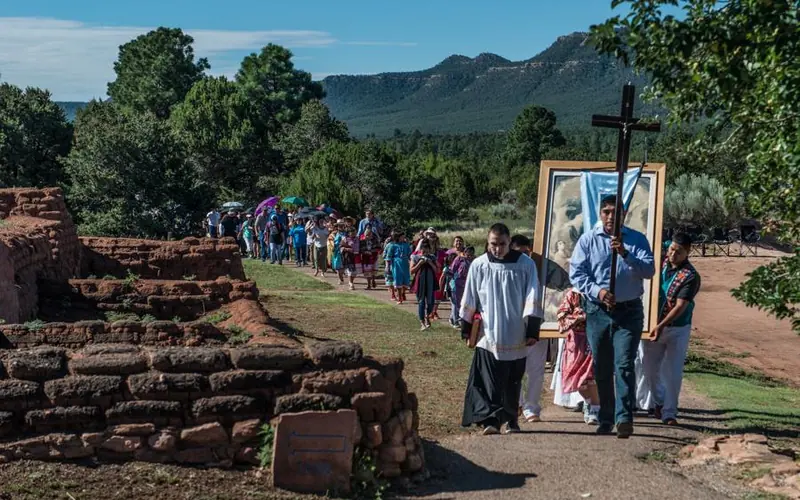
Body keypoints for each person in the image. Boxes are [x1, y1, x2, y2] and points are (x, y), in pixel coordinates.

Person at [569, 194, 655, 438]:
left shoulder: (636, 240)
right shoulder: (588, 241)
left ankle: (624, 417)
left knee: (624, 363)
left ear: (623, 214)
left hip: (628, 312)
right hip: (598, 311)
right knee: (603, 367)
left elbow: (649, 270)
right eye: (606, 211)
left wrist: (626, 254)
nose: (610, 217)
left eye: (615, 212)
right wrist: (599, 291)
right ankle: (606, 417)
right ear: (600, 213)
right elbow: (577, 274)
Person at [460, 223, 543, 435]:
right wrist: (466, 326)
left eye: (502, 244)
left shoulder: (525, 264)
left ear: (509, 242)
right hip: (489, 331)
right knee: (490, 380)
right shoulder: (479, 264)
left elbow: (533, 295)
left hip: (516, 331)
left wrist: (532, 329)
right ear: (487, 243)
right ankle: (491, 420)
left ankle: (511, 420)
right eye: (493, 244)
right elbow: (470, 294)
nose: (497, 249)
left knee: (513, 379)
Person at [641, 232, 701, 426]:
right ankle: (659, 401)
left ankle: (669, 412)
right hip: (653, 326)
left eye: (679, 252)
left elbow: (680, 306)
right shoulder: (659, 264)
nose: (673, 254)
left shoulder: (690, 276)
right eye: (672, 249)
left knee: (673, 371)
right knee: (649, 368)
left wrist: (661, 325)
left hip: (677, 328)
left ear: (688, 252)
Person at [509, 234, 548, 423]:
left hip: (539, 324)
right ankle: (517, 403)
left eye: (527, 252)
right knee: (514, 368)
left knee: (536, 369)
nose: (524, 257)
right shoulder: (505, 270)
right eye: (519, 252)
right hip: (514, 326)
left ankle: (531, 407)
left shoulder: (541, 269)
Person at [557, 288, 600, 425]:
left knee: (591, 376)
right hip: (575, 341)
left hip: (594, 338)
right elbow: (562, 315)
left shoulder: (599, 292)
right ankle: (588, 402)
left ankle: (596, 407)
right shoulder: (572, 294)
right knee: (577, 379)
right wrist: (579, 317)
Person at [410, 239, 440, 331]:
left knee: (430, 302)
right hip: (420, 282)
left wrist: (430, 263)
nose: (425, 251)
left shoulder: (432, 257)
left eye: (427, 249)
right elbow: (411, 271)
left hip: (430, 281)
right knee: (421, 302)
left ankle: (428, 318)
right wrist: (420, 263)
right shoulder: (415, 257)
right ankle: (422, 322)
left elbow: (437, 271)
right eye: (423, 249)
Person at [387, 231, 413, 305]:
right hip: (396, 264)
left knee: (406, 281)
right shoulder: (393, 245)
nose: (403, 238)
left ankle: (402, 293)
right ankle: (400, 298)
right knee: (398, 280)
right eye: (402, 237)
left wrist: (412, 261)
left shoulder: (406, 245)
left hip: (405, 264)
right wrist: (388, 266)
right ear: (397, 237)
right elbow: (388, 257)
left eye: (404, 237)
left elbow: (410, 254)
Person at [451, 246, 475, 324]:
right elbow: (452, 269)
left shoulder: (475, 262)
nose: (469, 256)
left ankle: (461, 319)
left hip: (468, 285)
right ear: (464, 253)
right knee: (457, 302)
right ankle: (456, 320)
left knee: (466, 302)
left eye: (471, 255)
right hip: (458, 284)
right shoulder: (459, 260)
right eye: (468, 254)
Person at [359, 223, 382, 290]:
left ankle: (373, 280)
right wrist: (365, 251)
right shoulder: (362, 240)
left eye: (369, 235)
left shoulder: (375, 239)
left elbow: (379, 247)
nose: (368, 237)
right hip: (366, 258)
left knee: (373, 271)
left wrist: (372, 251)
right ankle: (369, 284)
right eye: (367, 235)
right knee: (367, 271)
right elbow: (360, 249)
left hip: (374, 256)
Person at [339, 225, 359, 290]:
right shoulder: (345, 239)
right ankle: (351, 283)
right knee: (350, 271)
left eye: (354, 232)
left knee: (355, 272)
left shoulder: (357, 239)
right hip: (349, 257)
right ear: (348, 233)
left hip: (357, 257)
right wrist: (347, 249)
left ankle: (351, 282)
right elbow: (340, 247)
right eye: (352, 232)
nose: (353, 233)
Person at [383, 236, 396, 300]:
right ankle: (393, 294)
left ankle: (400, 294)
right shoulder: (389, 244)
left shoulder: (403, 244)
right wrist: (387, 265)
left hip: (399, 264)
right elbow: (385, 255)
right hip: (391, 264)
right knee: (390, 278)